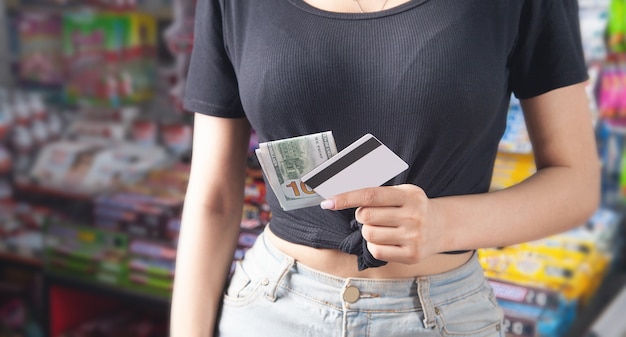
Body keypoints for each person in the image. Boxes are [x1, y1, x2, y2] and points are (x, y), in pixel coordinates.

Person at [170, 0, 600, 336]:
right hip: (272, 307)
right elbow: (214, 198)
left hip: (438, 316)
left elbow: (576, 182)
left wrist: (443, 225)